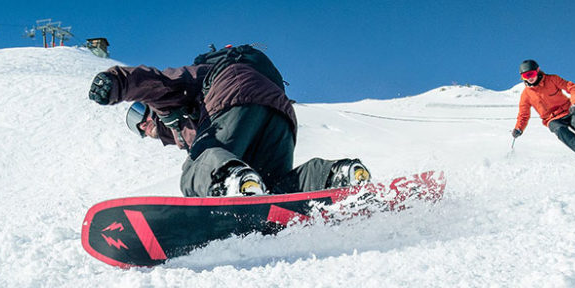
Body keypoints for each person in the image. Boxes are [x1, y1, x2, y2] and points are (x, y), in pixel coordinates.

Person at [88, 46, 370, 197]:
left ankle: (227, 181)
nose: (140, 125)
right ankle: (336, 176)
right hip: (279, 113)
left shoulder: (167, 106)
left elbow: (154, 82)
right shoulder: (182, 131)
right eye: (134, 126)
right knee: (271, 189)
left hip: (234, 96)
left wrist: (115, 83)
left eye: (138, 114)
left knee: (194, 173)